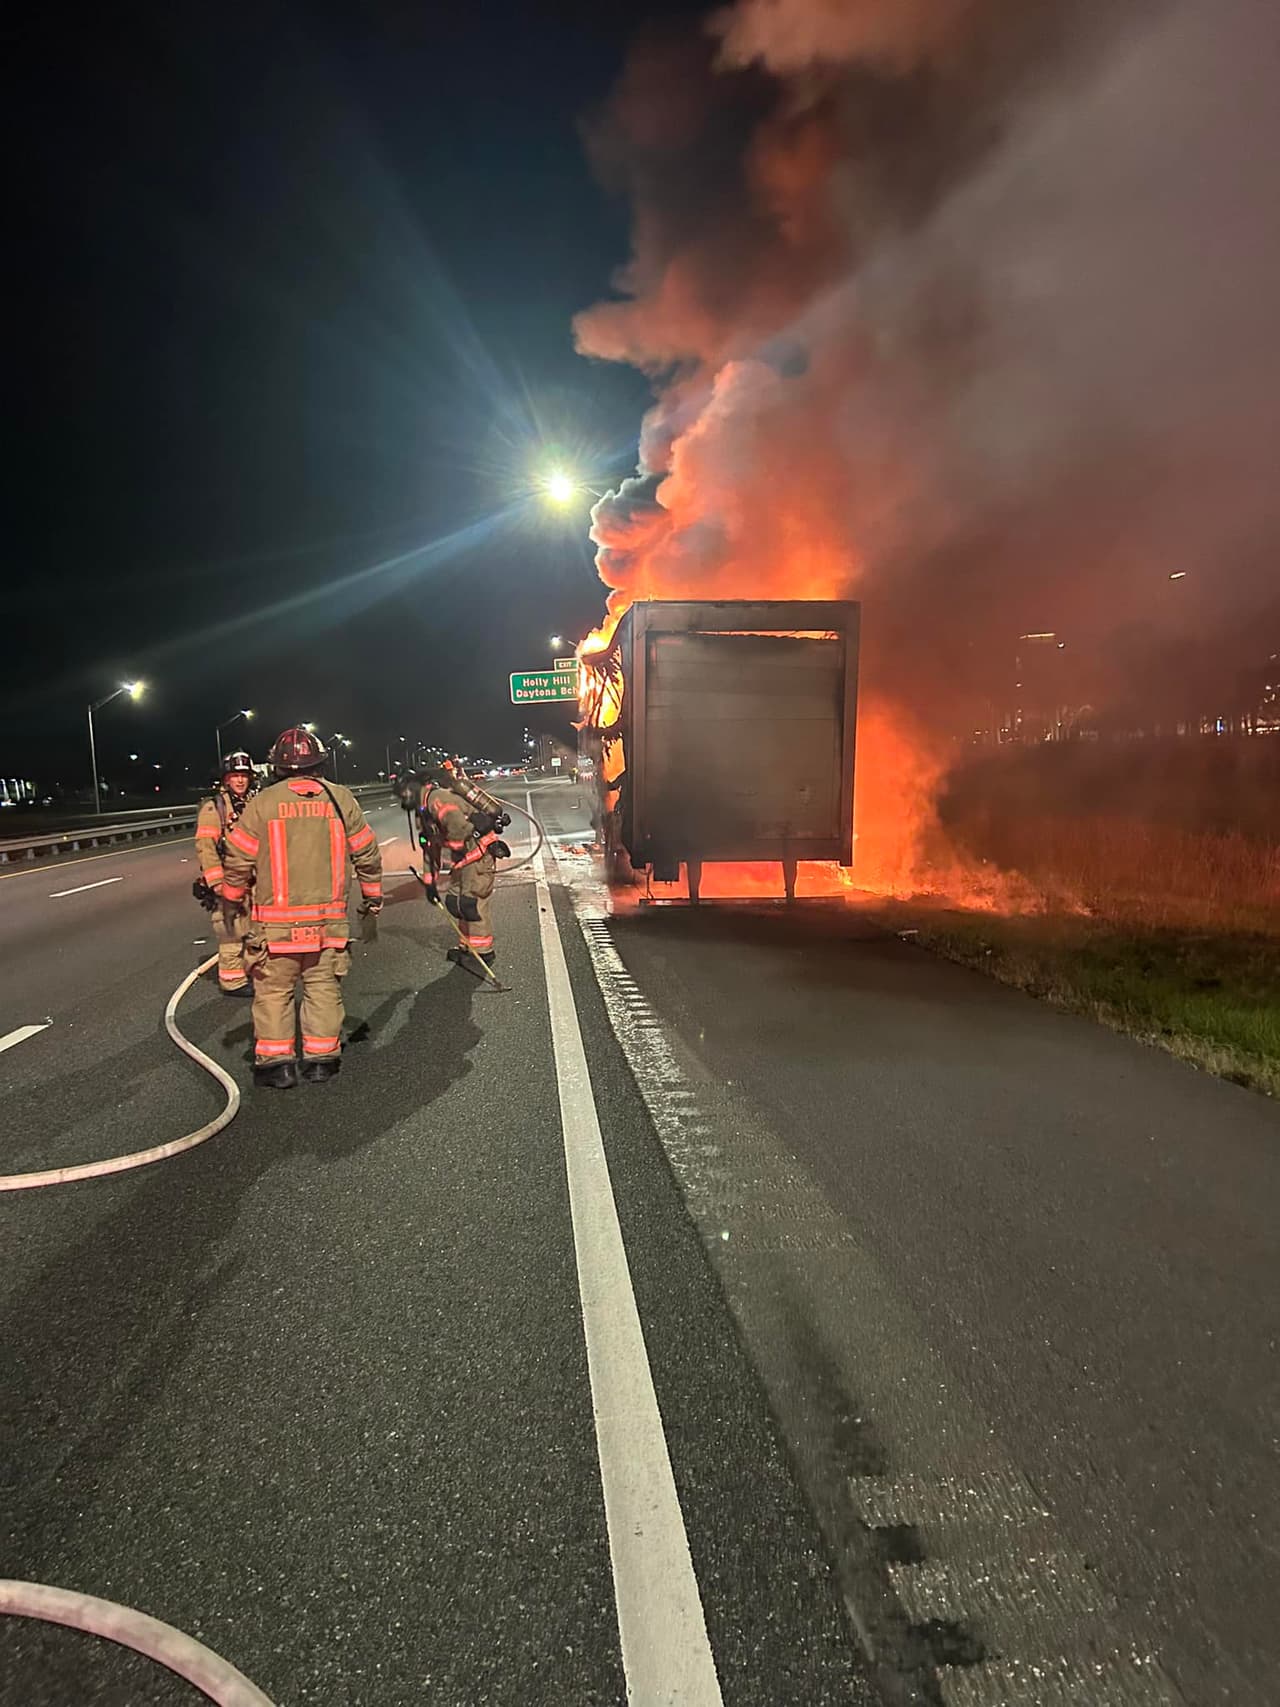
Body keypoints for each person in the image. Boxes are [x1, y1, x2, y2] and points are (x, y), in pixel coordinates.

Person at [221, 726, 382, 1088]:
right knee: (322, 988)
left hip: (276, 930)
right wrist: (372, 898)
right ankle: (321, 1061)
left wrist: (231, 900)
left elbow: (237, 859)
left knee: (273, 993)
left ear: (277, 766)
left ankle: (277, 1067)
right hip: (327, 926)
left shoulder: (263, 804)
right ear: (320, 763)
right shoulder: (340, 799)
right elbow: (367, 854)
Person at [393, 765, 508, 968]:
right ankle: (467, 947)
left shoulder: (438, 800)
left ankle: (483, 953)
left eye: (403, 793)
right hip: (463, 860)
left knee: (471, 904)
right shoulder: (424, 810)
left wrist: (453, 850)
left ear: (412, 788)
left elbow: (458, 830)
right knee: (457, 902)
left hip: (478, 855)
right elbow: (430, 847)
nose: (402, 798)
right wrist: (430, 883)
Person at [193, 750, 256, 995]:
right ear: (225, 779)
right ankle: (232, 981)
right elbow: (206, 847)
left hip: (252, 880)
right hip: (228, 880)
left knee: (252, 929)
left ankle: (249, 972)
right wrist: (218, 883)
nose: (240, 780)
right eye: (234, 776)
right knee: (231, 932)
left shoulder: (252, 803)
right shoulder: (214, 809)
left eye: (244, 776)